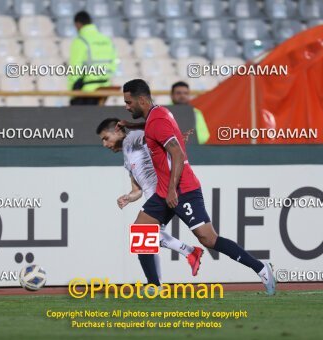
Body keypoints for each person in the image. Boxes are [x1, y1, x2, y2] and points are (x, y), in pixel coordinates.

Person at [122, 79, 276, 295]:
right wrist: (132, 126)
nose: (127, 107)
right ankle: (154, 287)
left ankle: (261, 268)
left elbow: (177, 153)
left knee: (208, 239)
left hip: (181, 190)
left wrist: (173, 190)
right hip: (165, 191)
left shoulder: (157, 121)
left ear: (141, 100)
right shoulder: (158, 114)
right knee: (141, 231)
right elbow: (153, 129)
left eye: (129, 102)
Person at [96, 118, 204, 287]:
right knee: (145, 246)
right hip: (154, 198)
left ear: (117, 131)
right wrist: (128, 197)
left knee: (142, 237)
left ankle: (189, 253)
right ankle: (157, 284)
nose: (104, 144)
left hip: (164, 194)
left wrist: (176, 138)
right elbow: (137, 190)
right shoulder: (126, 156)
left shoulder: (133, 138)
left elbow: (155, 135)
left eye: (105, 138)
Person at [69, 11, 116, 105]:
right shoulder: (107, 40)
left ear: (77, 24)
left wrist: (73, 91)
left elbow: (75, 68)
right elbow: (113, 64)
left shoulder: (80, 40)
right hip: (104, 88)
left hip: (86, 90)